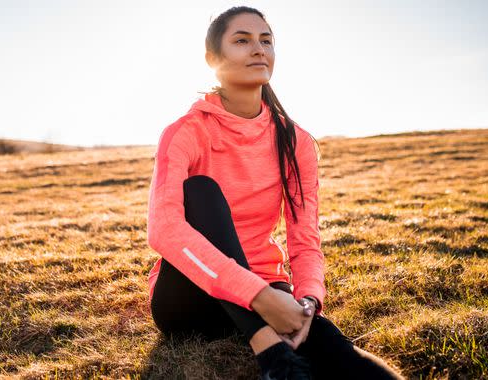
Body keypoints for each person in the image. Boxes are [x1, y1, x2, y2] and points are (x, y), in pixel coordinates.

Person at [145, 6, 405, 380]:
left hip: (271, 286)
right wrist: (261, 298)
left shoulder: (292, 139)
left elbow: (305, 236)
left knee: (334, 346)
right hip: (189, 300)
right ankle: (270, 351)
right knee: (200, 192)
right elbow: (165, 230)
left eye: (266, 41)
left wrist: (309, 301)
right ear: (212, 59)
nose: (258, 49)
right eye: (242, 40)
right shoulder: (187, 131)